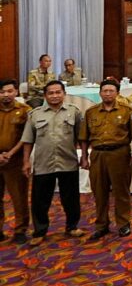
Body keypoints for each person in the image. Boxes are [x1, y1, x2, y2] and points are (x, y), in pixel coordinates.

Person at [21, 81, 84, 246]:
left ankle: (72, 226)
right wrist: (26, 161)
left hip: (68, 162)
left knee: (71, 198)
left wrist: (84, 156)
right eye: (51, 93)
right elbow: (28, 140)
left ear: (64, 94)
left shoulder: (74, 112)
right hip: (43, 163)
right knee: (40, 200)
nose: (55, 96)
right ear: (45, 95)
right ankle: (40, 231)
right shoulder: (35, 114)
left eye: (58, 92)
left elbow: (81, 137)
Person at [79, 79, 132, 240]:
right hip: (98, 155)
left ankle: (123, 224)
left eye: (111, 91)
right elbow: (83, 137)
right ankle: (101, 225)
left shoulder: (128, 111)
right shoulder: (91, 112)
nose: (107, 94)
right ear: (100, 93)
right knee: (99, 192)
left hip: (119, 154)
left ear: (117, 93)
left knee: (121, 191)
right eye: (104, 91)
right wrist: (84, 157)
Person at [0, 78, 30, 244]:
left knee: (19, 197)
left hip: (15, 161)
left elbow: (27, 137)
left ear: (16, 92)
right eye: (2, 92)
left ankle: (20, 230)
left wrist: (10, 153)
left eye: (9, 91)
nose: (6, 95)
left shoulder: (25, 111)